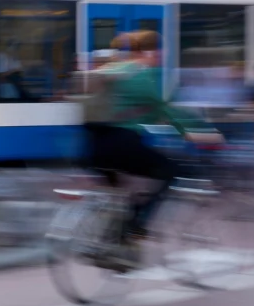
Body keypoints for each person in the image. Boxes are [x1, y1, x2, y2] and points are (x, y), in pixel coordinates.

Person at [87, 31, 222, 264]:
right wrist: (205, 134)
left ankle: (110, 243)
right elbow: (170, 112)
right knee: (168, 172)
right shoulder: (148, 76)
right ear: (151, 52)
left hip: (92, 147)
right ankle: (136, 229)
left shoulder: (110, 70)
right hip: (121, 144)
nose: (161, 57)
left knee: (124, 192)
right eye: (160, 52)